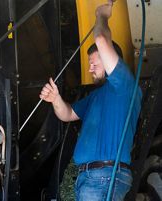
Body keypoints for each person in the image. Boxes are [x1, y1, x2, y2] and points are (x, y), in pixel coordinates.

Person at [39, 1, 142, 200]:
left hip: (104, 175)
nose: (89, 69)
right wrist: (55, 99)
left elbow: (102, 38)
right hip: (90, 177)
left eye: (93, 63)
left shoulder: (123, 82)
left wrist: (101, 15)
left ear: (110, 59)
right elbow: (67, 114)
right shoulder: (96, 96)